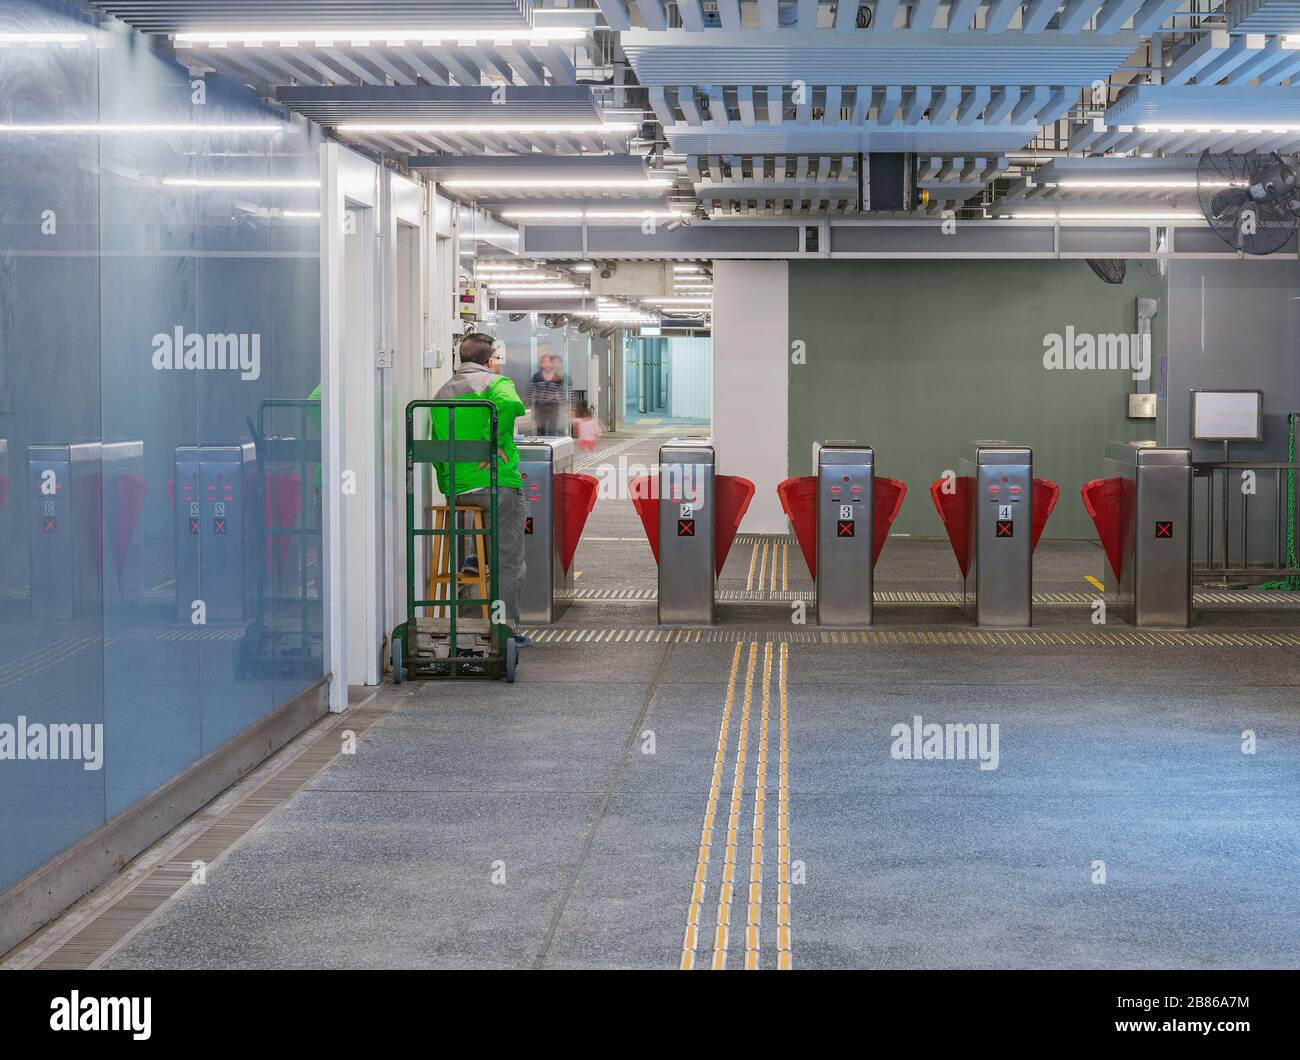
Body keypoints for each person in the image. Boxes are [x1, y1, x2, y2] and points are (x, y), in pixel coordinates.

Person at [430, 333, 529, 646]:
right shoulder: (497, 384)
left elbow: (437, 444)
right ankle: (504, 629)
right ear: (490, 360)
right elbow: (512, 405)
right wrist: (493, 442)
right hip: (497, 485)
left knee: (471, 561)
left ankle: (471, 627)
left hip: (459, 491)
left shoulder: (442, 391)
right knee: (506, 560)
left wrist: (449, 485)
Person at [529, 350, 566, 437]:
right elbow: (531, 391)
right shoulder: (536, 376)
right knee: (540, 429)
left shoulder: (557, 377)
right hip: (539, 407)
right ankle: (540, 448)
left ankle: (551, 448)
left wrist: (565, 406)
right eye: (543, 362)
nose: (546, 364)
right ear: (541, 364)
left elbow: (561, 393)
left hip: (553, 407)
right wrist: (530, 405)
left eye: (549, 362)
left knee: (552, 429)